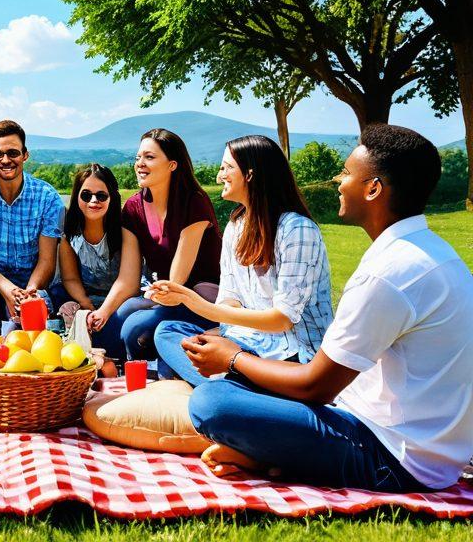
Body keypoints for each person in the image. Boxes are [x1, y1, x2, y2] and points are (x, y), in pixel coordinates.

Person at [184, 124, 473, 492]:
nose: (338, 181)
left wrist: (233, 359)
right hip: (407, 439)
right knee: (231, 388)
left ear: (373, 189)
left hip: (393, 458)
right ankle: (268, 454)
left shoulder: (389, 273)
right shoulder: (432, 253)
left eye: (346, 173)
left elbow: (315, 386)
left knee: (212, 402)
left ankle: (268, 453)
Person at [151, 134, 333, 386]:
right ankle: (234, 383)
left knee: (202, 383)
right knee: (168, 332)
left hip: (291, 355)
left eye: (226, 168)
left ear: (250, 174)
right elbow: (230, 297)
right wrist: (214, 337)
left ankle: (233, 383)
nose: (219, 176)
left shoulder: (297, 229)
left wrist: (191, 301)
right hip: (244, 342)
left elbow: (282, 319)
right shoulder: (236, 227)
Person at [116, 130, 223, 359]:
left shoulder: (194, 201)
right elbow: (128, 277)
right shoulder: (133, 208)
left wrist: (154, 296)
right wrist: (102, 312)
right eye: (138, 157)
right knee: (119, 316)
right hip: (165, 295)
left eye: (149, 157)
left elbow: (177, 280)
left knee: (134, 328)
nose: (140, 164)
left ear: (172, 165)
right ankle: (133, 370)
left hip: (202, 297)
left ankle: (153, 370)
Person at [0, 119, 65, 323]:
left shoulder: (47, 196)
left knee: (45, 304)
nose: (5, 160)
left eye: (13, 153)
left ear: (25, 155)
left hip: (33, 276)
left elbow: (47, 261)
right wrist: (8, 289)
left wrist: (29, 294)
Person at [51, 164, 141, 357]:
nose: (93, 201)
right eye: (86, 195)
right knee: (57, 296)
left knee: (121, 317)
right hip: (88, 297)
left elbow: (129, 283)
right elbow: (70, 278)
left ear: (112, 197)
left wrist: (104, 311)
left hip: (121, 300)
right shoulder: (70, 232)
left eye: (101, 196)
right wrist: (86, 303)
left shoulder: (125, 229)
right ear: (77, 197)